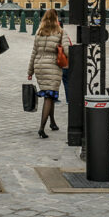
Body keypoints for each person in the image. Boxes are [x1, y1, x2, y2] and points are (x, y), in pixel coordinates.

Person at [27, 9, 71, 138]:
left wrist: (30, 71)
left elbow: (34, 52)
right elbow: (68, 51)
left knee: (50, 95)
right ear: (56, 19)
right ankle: (41, 127)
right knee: (49, 96)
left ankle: (52, 122)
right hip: (52, 66)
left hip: (39, 65)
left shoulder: (39, 32)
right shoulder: (61, 32)